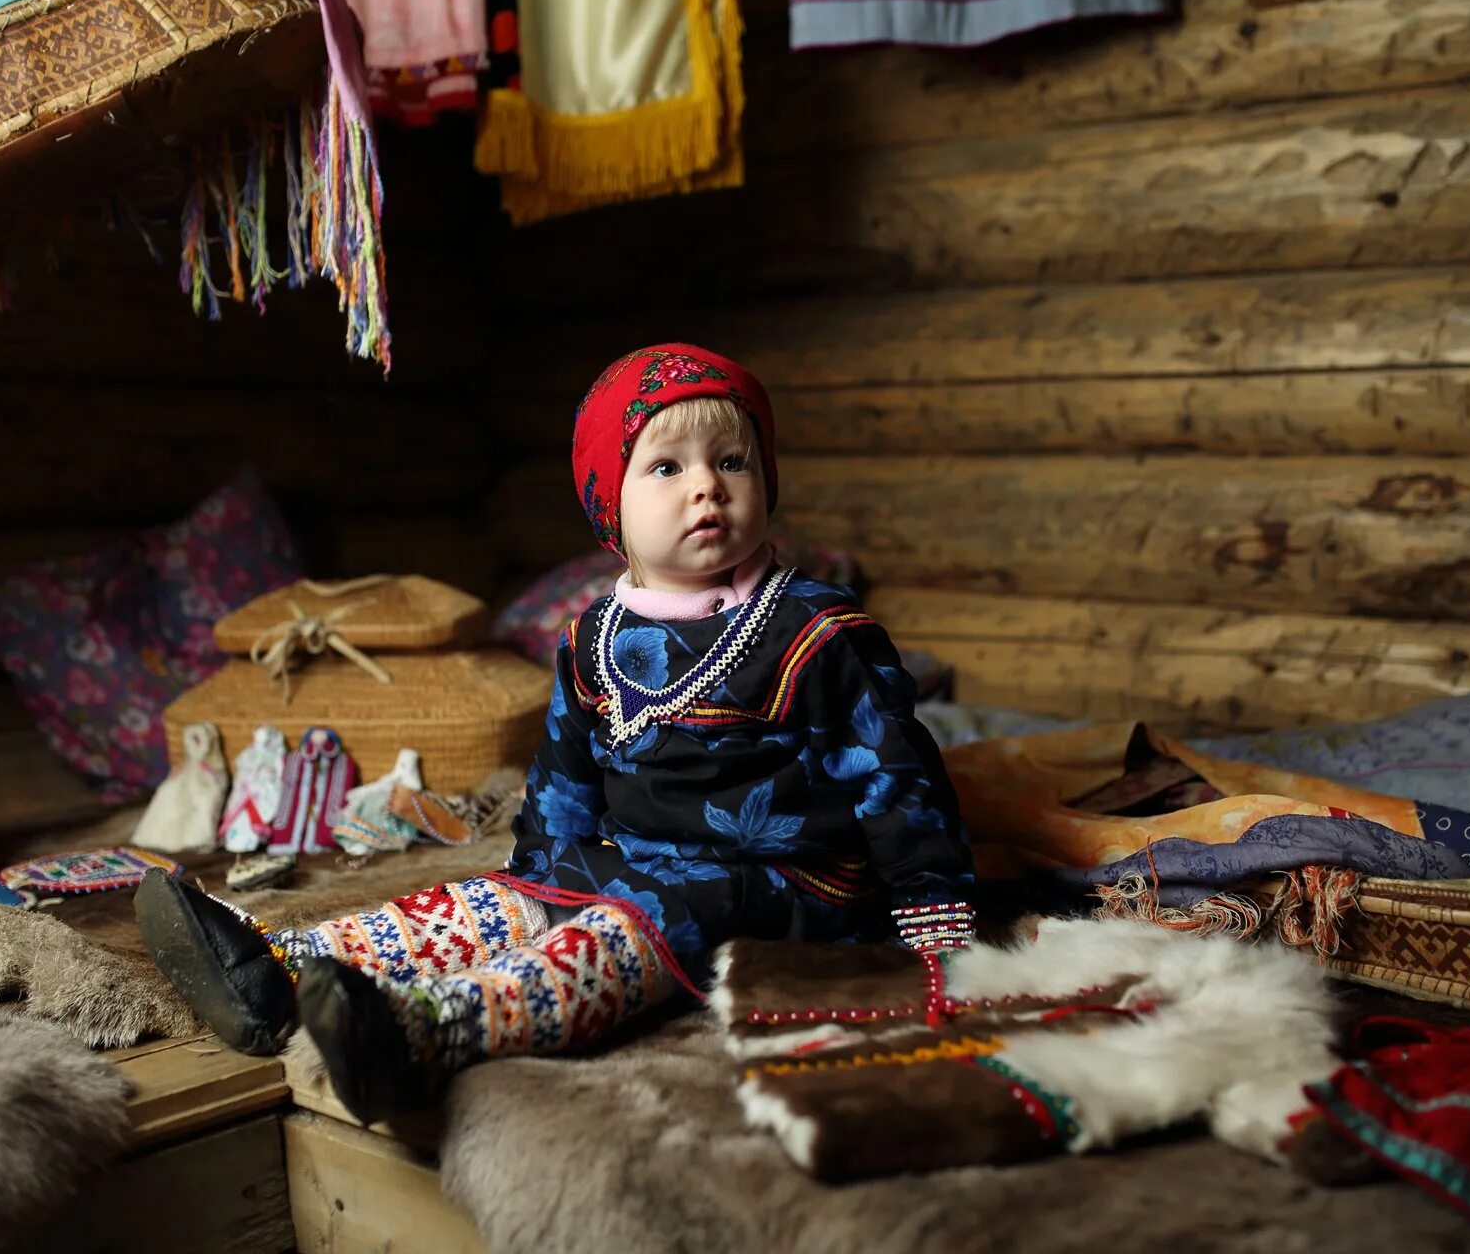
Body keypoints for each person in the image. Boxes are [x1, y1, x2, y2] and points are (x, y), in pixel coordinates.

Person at [136, 342, 976, 1125]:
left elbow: (897, 777)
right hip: (640, 856)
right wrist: (533, 883)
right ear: (608, 502)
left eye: (732, 462)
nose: (707, 487)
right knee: (499, 898)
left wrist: (933, 912)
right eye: (667, 467)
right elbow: (565, 776)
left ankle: (428, 1031)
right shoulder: (592, 638)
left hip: (783, 881)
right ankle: (274, 971)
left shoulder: (814, 628)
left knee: (604, 939)